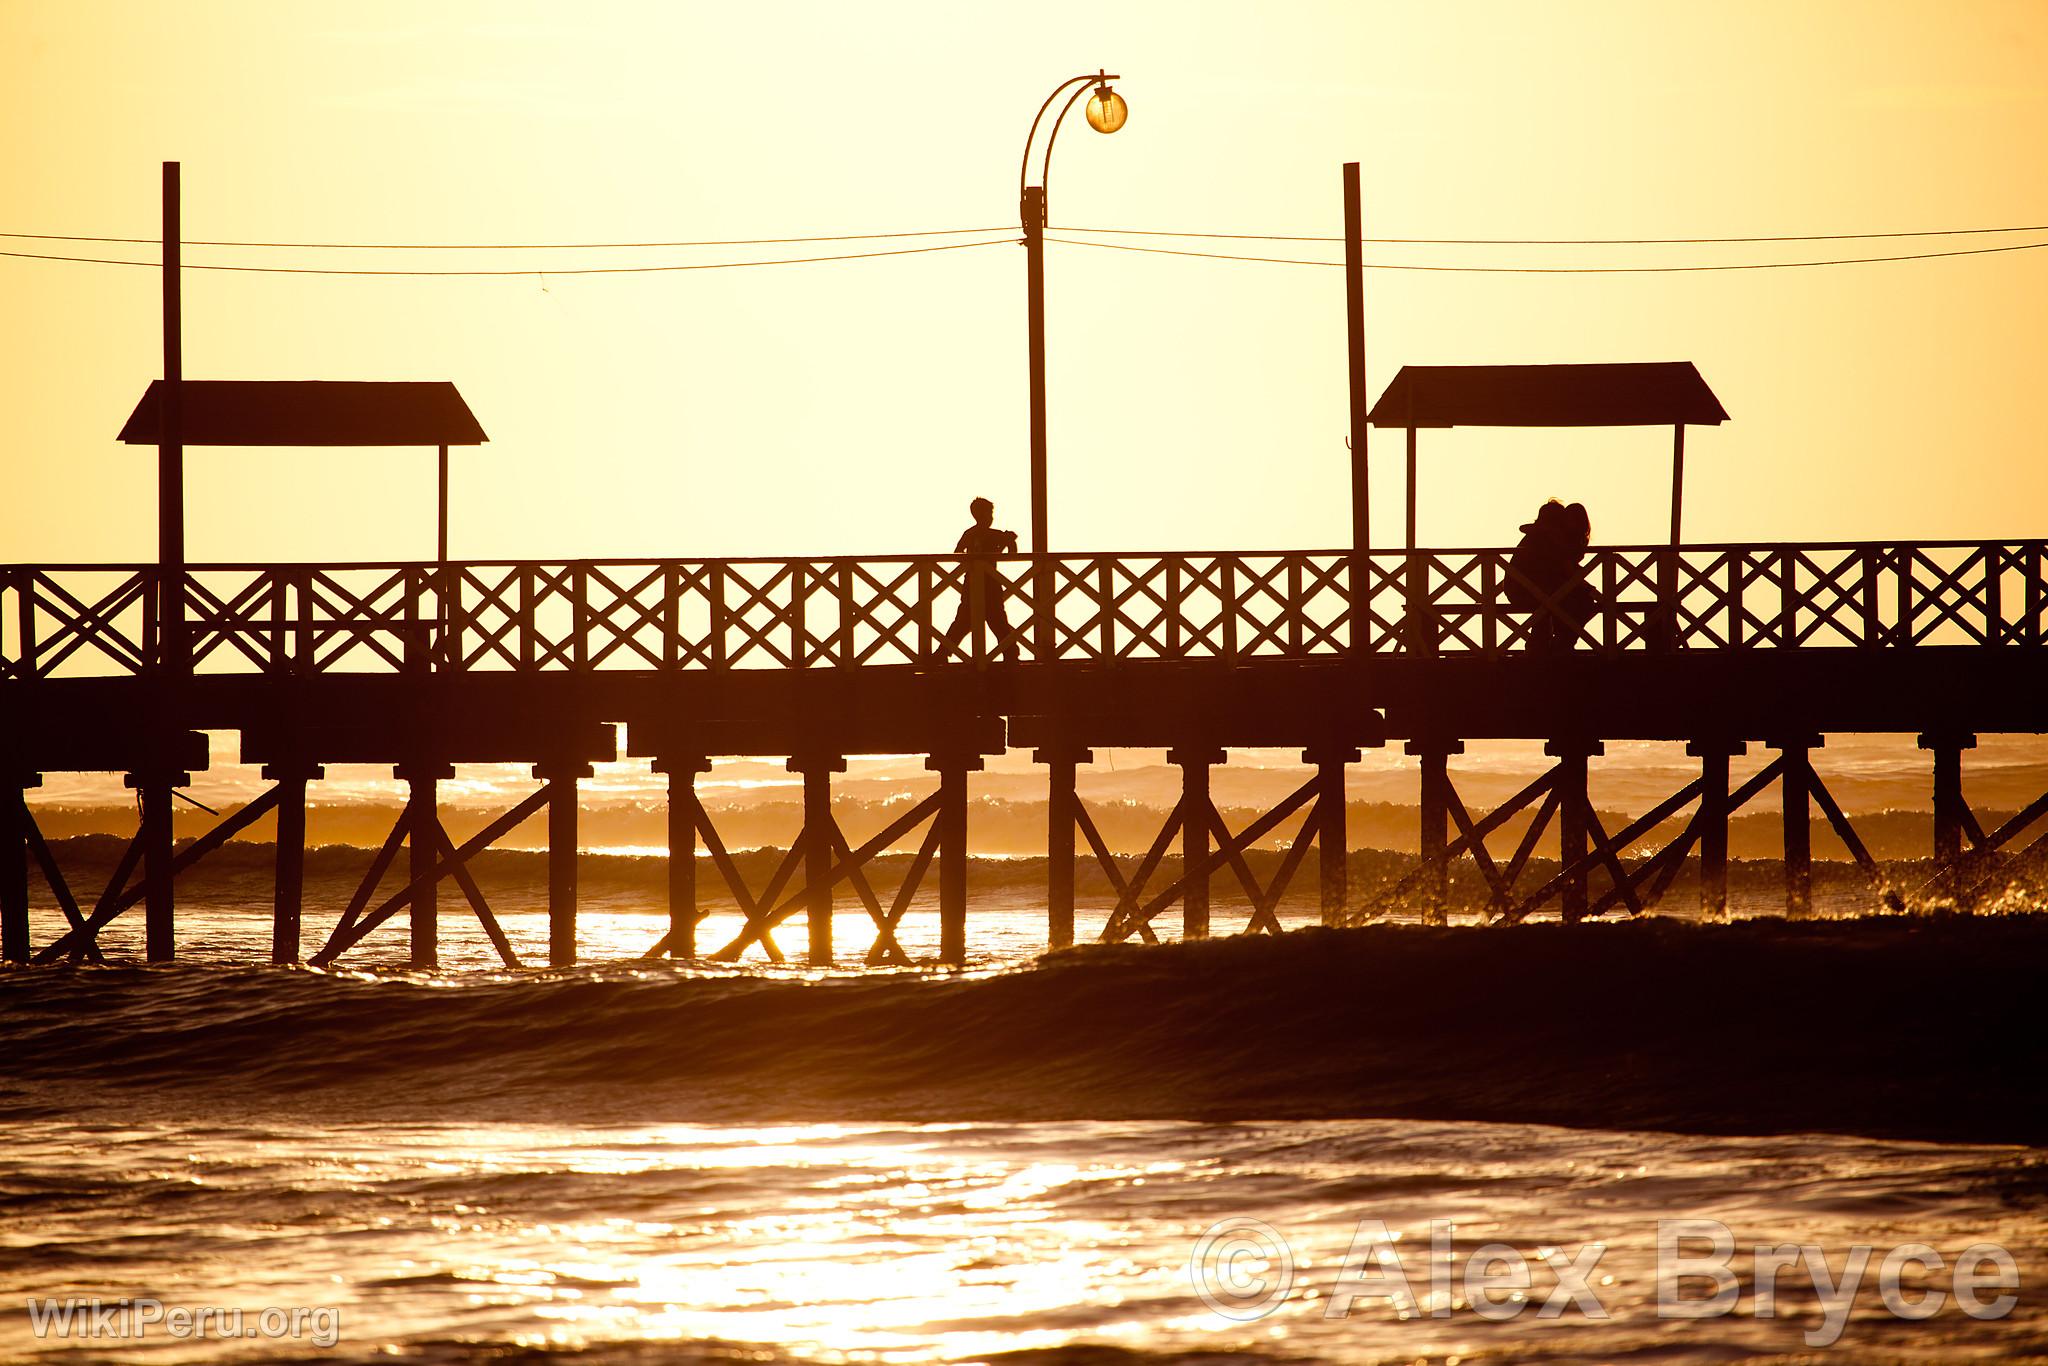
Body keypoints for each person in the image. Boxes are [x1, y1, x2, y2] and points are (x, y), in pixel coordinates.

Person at [1506, 499, 1596, 648]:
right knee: (1580, 602)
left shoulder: (1537, 538)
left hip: (1525, 589)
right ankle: (1560, 644)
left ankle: (1547, 646)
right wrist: (1584, 585)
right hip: (1529, 590)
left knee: (1556, 607)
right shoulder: (1548, 541)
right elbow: (1562, 568)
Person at [940, 497, 1019, 661]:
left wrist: (1007, 542)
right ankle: (1011, 652)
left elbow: (957, 554)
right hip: (987, 584)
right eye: (988, 513)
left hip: (975, 583)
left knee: (966, 621)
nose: (990, 517)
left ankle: (943, 653)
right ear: (979, 514)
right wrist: (1008, 542)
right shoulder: (992, 535)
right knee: (994, 620)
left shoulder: (971, 533)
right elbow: (1013, 554)